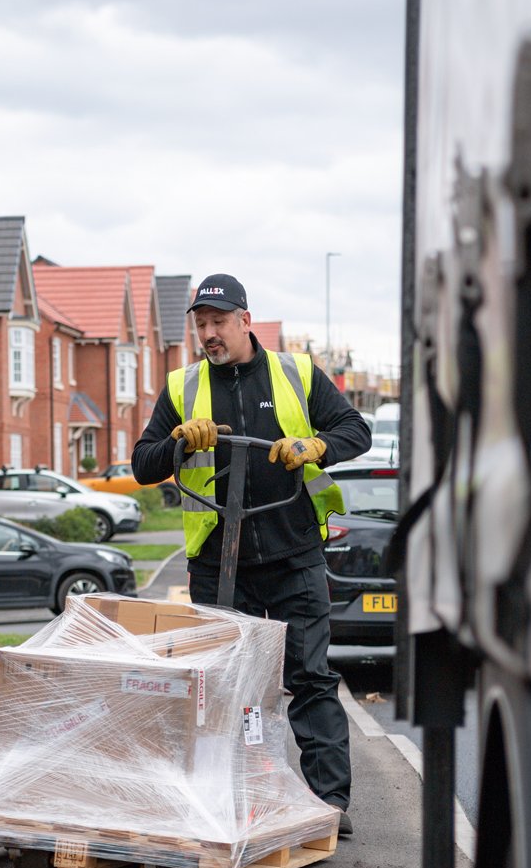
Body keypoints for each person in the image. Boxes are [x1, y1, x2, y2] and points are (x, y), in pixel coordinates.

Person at [133, 274, 371, 834]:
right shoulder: (182, 388)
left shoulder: (297, 374)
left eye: (218, 323)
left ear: (246, 320)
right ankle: (228, 798)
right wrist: (177, 444)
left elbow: (354, 430)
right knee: (221, 686)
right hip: (217, 563)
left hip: (294, 554)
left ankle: (328, 805)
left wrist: (317, 445)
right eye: (201, 325)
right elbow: (144, 465)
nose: (209, 335)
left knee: (310, 679)